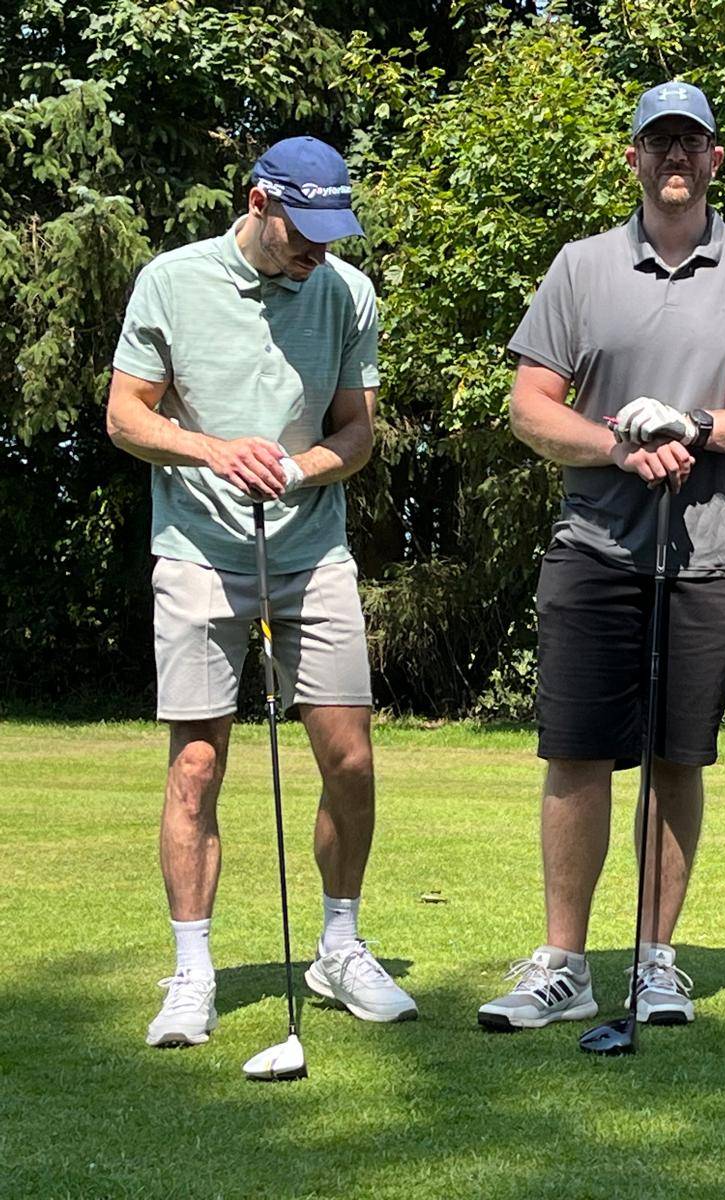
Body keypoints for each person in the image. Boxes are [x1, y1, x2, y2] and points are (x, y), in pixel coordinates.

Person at [479, 82, 725, 1032]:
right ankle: (564, 964)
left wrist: (699, 425)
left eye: (691, 142)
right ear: (632, 157)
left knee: (676, 758)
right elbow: (529, 406)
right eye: (659, 141)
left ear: (715, 158)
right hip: (597, 545)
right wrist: (616, 445)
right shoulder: (581, 266)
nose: (676, 156)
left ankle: (654, 960)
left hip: (716, 554)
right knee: (576, 753)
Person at [107, 136, 417, 1049]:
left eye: (333, 230)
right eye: (303, 229)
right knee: (197, 764)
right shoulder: (171, 281)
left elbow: (356, 433)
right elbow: (125, 415)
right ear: (258, 202)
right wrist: (214, 450)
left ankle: (339, 947)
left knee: (350, 757)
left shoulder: (348, 293)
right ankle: (192, 972)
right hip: (198, 550)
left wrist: (301, 466)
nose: (319, 248)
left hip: (311, 549)